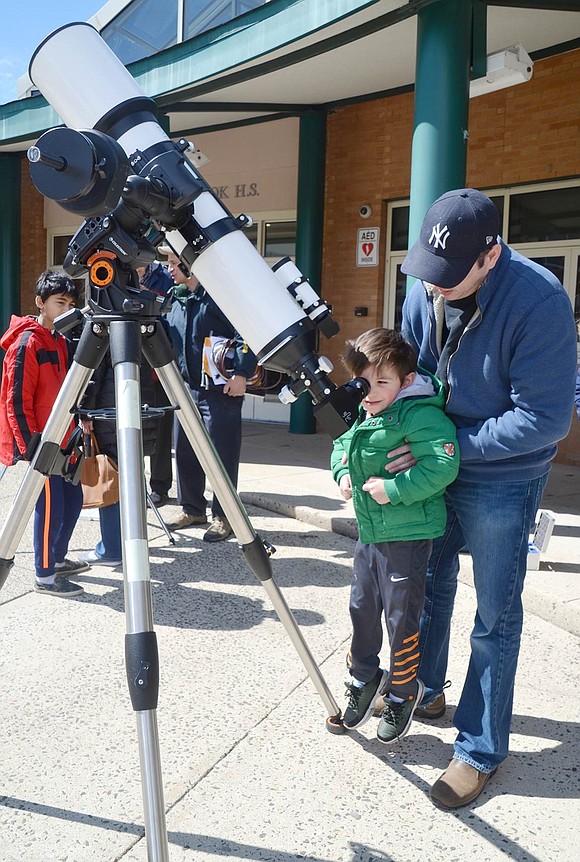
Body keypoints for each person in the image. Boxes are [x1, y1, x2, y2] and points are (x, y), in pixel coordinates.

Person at [400, 188, 577, 808]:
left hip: (503, 473)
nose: (436, 288)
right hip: (437, 459)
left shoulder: (539, 301)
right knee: (426, 581)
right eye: (429, 274)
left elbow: (546, 418)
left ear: (491, 256)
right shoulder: (428, 280)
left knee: (494, 615)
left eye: (452, 277)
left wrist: (448, 447)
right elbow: (413, 369)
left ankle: (478, 749)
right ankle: (423, 688)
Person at [331, 328, 459, 743]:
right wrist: (342, 472)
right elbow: (341, 445)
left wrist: (394, 490)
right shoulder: (369, 409)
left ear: (405, 381)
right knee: (361, 607)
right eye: (364, 383)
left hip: (407, 535)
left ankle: (405, 692)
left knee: (401, 616)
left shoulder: (419, 413)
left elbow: (441, 466)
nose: (370, 392)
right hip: (370, 532)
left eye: (382, 382)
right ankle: (364, 678)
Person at [0, 270, 87, 597]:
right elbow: (16, 399)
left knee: (73, 501)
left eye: (70, 303)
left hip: (64, 439)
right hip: (42, 443)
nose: (66, 308)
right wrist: (31, 446)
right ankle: (44, 575)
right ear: (41, 302)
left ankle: (57, 559)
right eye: (59, 302)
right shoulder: (28, 341)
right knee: (50, 508)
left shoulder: (60, 340)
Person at [161, 248, 257, 542]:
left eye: (174, 264)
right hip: (187, 388)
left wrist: (241, 373)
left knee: (222, 455)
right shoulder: (176, 299)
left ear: (191, 265)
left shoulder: (219, 297)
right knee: (185, 449)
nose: (170, 270)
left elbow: (247, 332)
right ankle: (192, 508)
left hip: (220, 390)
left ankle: (225, 517)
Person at [136, 261, 174, 506]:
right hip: (132, 364)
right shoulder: (121, 272)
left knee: (161, 432)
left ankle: (160, 487)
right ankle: (132, 485)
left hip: (159, 368)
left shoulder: (166, 278)